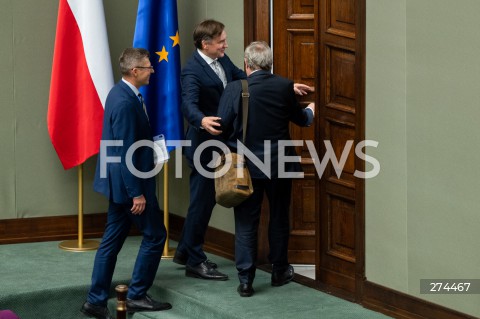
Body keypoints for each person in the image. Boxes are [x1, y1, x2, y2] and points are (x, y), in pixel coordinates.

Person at [176, 19, 313, 281]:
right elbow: (187, 103)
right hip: (206, 145)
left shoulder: (222, 59)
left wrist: (284, 87)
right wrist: (201, 120)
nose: (226, 44)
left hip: (227, 143)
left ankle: (185, 250)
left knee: (207, 205)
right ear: (206, 44)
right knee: (202, 204)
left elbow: (244, 76)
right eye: (221, 41)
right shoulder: (192, 70)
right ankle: (194, 260)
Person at [217, 41, 315, 297]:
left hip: (246, 168)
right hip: (281, 164)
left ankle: (246, 280)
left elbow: (222, 126)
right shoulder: (284, 86)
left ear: (247, 64)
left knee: (246, 222)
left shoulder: (235, 88)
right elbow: (301, 120)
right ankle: (279, 270)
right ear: (270, 64)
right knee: (279, 217)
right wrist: (312, 111)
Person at [81, 48, 172, 319]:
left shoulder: (120, 94)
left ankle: (95, 301)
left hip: (120, 185)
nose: (152, 71)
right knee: (156, 236)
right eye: (148, 67)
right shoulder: (124, 102)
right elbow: (124, 152)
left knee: (111, 241)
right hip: (131, 187)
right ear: (135, 71)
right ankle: (136, 296)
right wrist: (137, 194)